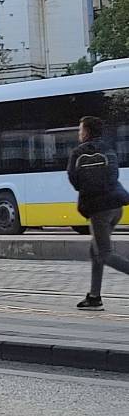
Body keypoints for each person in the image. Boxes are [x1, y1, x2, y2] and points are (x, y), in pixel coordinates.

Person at [68, 115, 129, 310]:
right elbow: (115, 174)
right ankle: (94, 297)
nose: (79, 133)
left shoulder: (78, 152)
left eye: (80, 129)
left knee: (104, 254)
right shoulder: (108, 148)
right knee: (95, 252)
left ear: (86, 131)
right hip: (115, 207)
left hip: (99, 210)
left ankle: (95, 297)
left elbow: (74, 180)